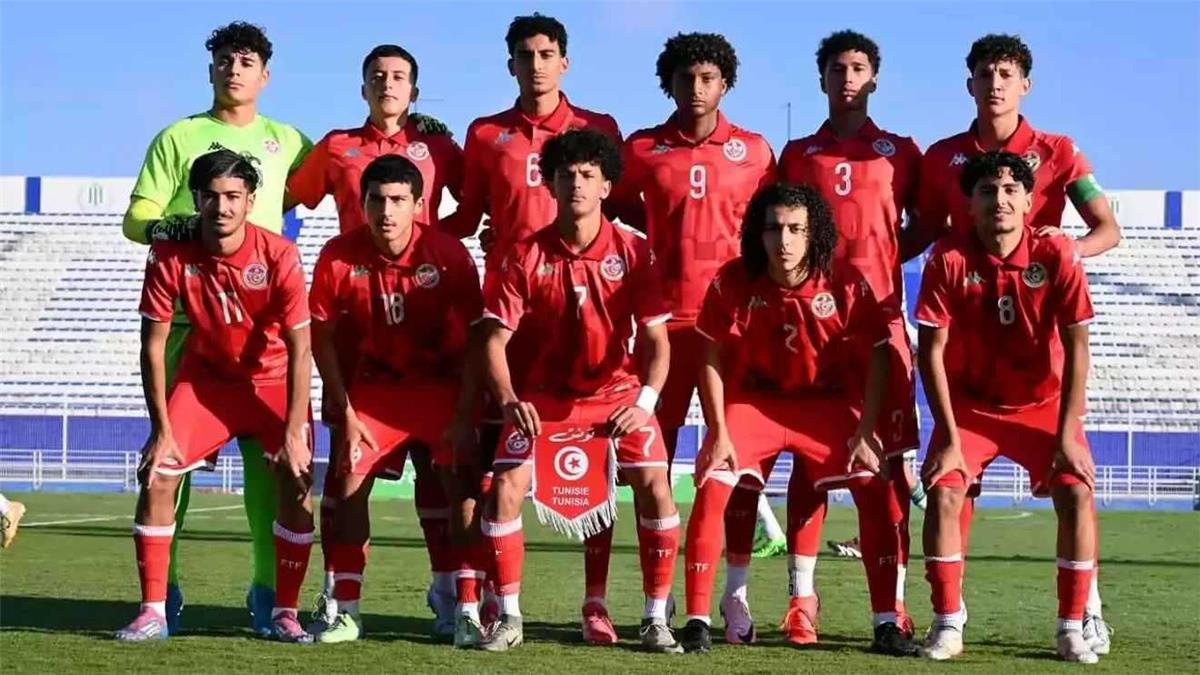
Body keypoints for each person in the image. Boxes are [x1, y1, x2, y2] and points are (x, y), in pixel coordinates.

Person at [916, 34, 1119, 654]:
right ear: (969, 84)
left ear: (1025, 84)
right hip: (971, 352)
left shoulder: (1058, 151)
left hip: (1036, 351)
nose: (996, 83)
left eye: (1007, 73)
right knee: (946, 486)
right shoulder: (942, 159)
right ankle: (947, 618)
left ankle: (1083, 611)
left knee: (1076, 484)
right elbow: (922, 231)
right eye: (985, 73)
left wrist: (1054, 258)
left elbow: (1106, 228)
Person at [119, 21, 312, 636]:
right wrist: (165, 229)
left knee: (274, 481)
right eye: (225, 60)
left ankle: (271, 597)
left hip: (264, 336)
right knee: (164, 469)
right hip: (192, 322)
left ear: (265, 75)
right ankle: (162, 597)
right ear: (211, 70)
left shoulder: (289, 141)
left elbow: (347, 173)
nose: (234, 69)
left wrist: (408, 129)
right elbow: (136, 219)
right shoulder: (179, 136)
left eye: (246, 61)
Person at [443, 13, 626, 641]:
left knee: (597, 465)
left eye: (547, 53)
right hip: (508, 318)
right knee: (487, 465)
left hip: (580, 320)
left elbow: (621, 211)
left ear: (564, 62)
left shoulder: (597, 129)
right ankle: (485, 599)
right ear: (511, 64)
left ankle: (595, 602)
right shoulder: (485, 133)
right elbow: (467, 216)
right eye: (526, 55)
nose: (537, 64)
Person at [476, 129, 680, 653]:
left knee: (656, 485)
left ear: (607, 186)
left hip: (616, 395)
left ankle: (654, 618)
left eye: (588, 174)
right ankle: (510, 618)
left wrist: (645, 404)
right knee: (504, 489)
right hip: (544, 400)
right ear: (549, 184)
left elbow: (657, 341)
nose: (577, 184)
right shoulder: (525, 254)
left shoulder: (634, 251)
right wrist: (509, 400)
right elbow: (494, 340)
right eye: (566, 175)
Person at [285, 43, 465, 637]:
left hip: (428, 314)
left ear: (415, 89)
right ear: (362, 86)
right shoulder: (337, 145)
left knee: (441, 475)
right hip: (357, 317)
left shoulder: (440, 147)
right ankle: (338, 595)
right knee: (345, 476)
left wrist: (441, 247)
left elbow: (479, 203)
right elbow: (283, 199)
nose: (388, 84)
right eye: (377, 76)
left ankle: (451, 593)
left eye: (399, 77)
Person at [679, 182, 905, 655]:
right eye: (774, 228)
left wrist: (867, 431)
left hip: (826, 405)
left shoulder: (843, 280)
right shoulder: (735, 278)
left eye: (796, 229)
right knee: (714, 482)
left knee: (874, 486)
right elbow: (709, 354)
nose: (783, 240)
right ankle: (699, 618)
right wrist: (718, 431)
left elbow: (879, 354)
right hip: (756, 403)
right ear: (757, 234)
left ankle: (887, 621)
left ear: (813, 233)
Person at [607, 32, 780, 643]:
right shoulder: (642, 149)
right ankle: (657, 595)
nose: (697, 88)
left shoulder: (754, 151)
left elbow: (774, 226)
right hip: (664, 327)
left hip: (734, 328)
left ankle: (734, 594)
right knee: (646, 467)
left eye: (708, 77)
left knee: (736, 463)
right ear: (669, 84)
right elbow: (615, 207)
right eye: (685, 78)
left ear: (725, 83)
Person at [775, 30, 924, 654]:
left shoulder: (901, 154)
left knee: (891, 469)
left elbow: (929, 224)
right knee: (810, 464)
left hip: (882, 325)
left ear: (874, 78)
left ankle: (895, 603)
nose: (847, 77)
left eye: (858, 67)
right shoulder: (797, 154)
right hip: (814, 329)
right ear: (822, 79)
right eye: (836, 68)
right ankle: (801, 600)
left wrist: (883, 262)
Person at [307, 155, 484, 646]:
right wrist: (344, 410)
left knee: (460, 487)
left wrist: (465, 414)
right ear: (363, 204)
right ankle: (346, 610)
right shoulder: (338, 255)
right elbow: (321, 337)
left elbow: (478, 337)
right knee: (347, 483)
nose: (386, 211)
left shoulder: (447, 253)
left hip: (440, 387)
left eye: (398, 200)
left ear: (418, 205)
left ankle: (465, 608)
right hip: (375, 392)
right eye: (377, 200)